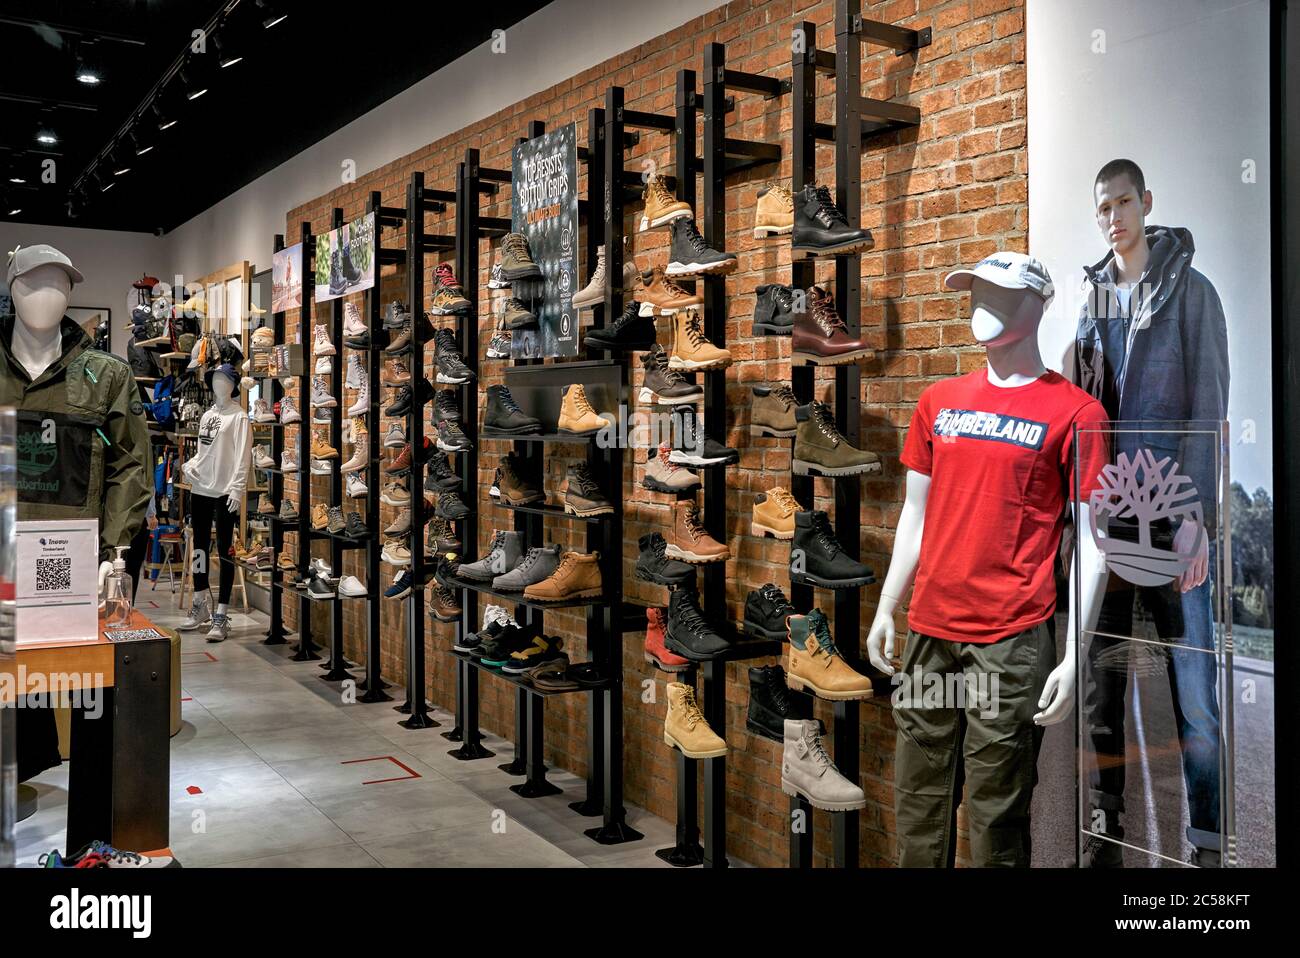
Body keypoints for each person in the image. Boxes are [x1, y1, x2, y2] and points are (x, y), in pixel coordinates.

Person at [1072, 158, 1229, 867]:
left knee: (1194, 695)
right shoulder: (1094, 302)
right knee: (1105, 684)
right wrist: (1085, 516)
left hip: (1176, 519)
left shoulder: (1194, 293)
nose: (1114, 217)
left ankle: (1206, 843)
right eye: (1103, 207)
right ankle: (1106, 826)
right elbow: (1083, 411)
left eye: (1124, 202)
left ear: (1147, 202)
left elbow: (1210, 412)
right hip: (1111, 522)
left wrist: (1198, 522)